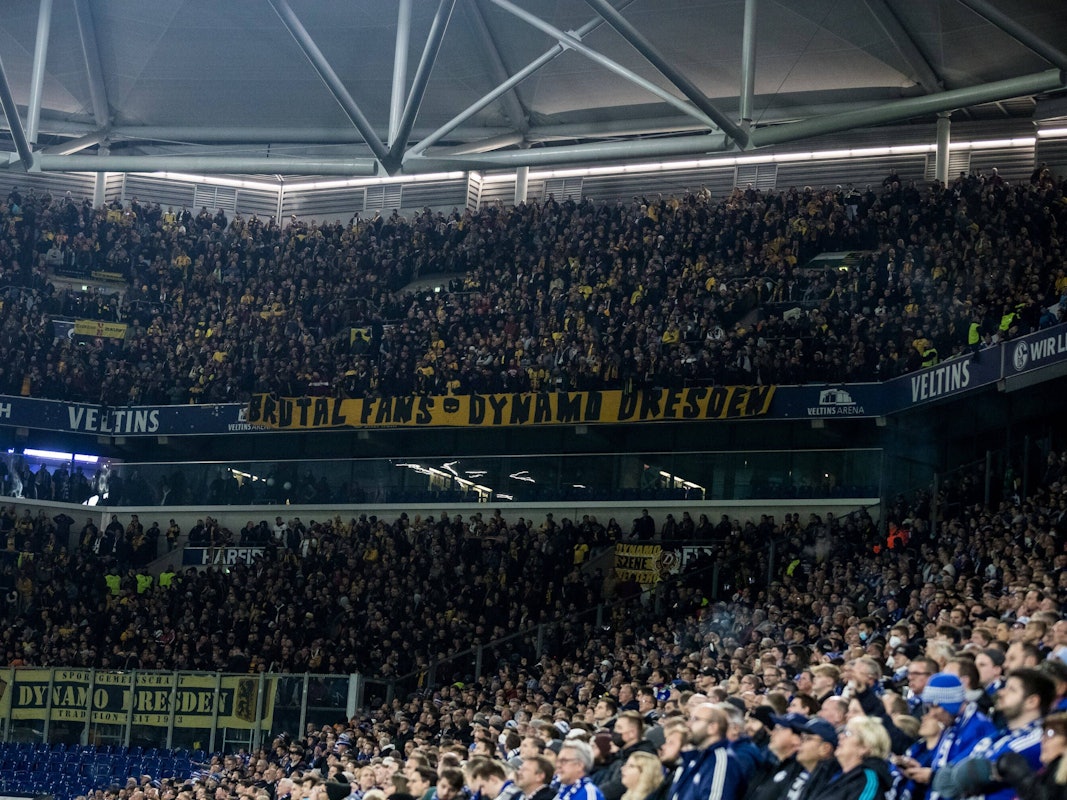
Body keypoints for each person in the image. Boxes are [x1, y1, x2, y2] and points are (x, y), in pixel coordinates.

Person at [668, 703, 745, 800]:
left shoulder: (721, 760)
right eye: (689, 719)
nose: (688, 724)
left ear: (712, 727)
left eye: (695, 719)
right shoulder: (697, 758)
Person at [996, 710, 1067, 800]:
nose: (1043, 740)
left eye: (1051, 733)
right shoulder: (1046, 775)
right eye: (1043, 733)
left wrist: (1023, 777)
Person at [819, 716, 893, 800]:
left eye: (848, 733)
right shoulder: (836, 774)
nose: (840, 736)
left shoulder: (867, 780)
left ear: (865, 747)